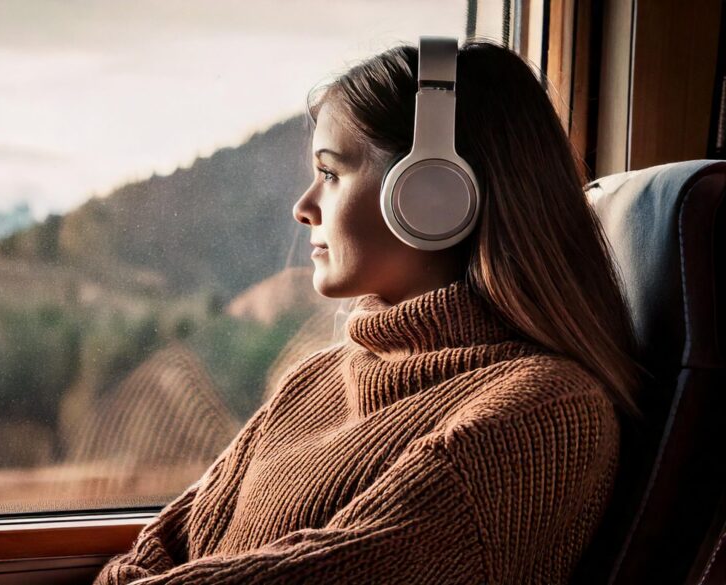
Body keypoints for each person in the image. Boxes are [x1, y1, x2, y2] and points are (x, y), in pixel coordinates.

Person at [93, 38, 641, 585]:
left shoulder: (543, 414)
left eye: (330, 173)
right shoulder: (317, 378)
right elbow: (165, 545)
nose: (303, 207)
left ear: (433, 193)